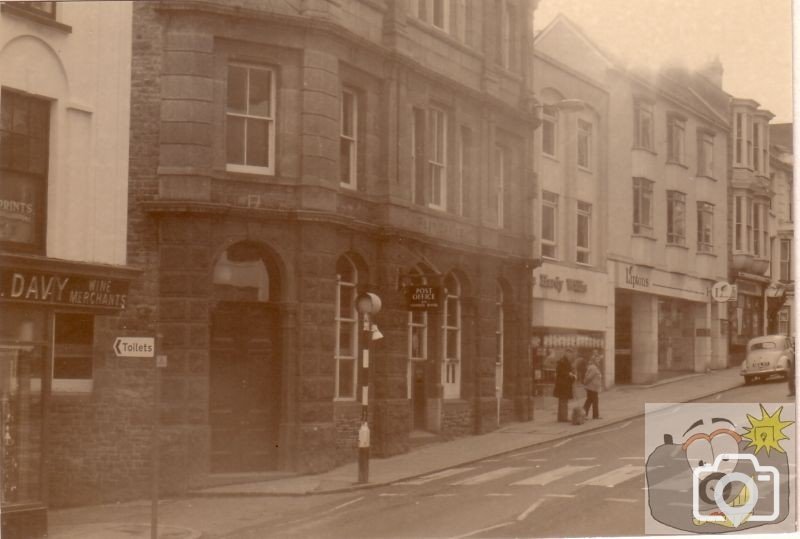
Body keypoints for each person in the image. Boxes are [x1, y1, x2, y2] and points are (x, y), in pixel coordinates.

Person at [553, 349, 575, 422]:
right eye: (569, 353)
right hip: (563, 385)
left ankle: (561, 417)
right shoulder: (563, 362)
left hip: (563, 384)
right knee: (563, 401)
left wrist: (571, 375)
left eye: (571, 354)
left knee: (563, 401)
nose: (570, 355)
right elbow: (561, 372)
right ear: (566, 353)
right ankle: (563, 418)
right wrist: (569, 374)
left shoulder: (565, 361)